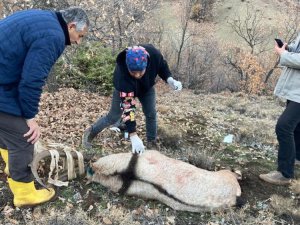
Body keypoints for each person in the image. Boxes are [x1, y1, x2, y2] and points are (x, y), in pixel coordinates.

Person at [0, 7, 89, 207]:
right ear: (71, 26)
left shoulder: (44, 18)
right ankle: (24, 195)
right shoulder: (54, 36)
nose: (77, 41)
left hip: (3, 81)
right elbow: (32, 80)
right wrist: (30, 117)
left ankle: (11, 168)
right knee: (23, 137)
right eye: (79, 36)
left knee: (7, 128)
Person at [82, 45, 182, 154]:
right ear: (128, 67)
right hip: (125, 89)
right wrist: (133, 135)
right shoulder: (122, 75)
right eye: (133, 72)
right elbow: (129, 108)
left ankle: (151, 142)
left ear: (146, 64)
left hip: (146, 88)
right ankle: (90, 132)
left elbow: (162, 67)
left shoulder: (154, 55)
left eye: (140, 71)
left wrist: (170, 80)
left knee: (151, 113)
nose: (137, 75)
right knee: (113, 116)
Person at [259, 37, 300, 185]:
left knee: (284, 126)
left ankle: (285, 174)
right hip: (296, 89)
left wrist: (283, 54)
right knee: (296, 126)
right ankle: (296, 158)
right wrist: (289, 48)